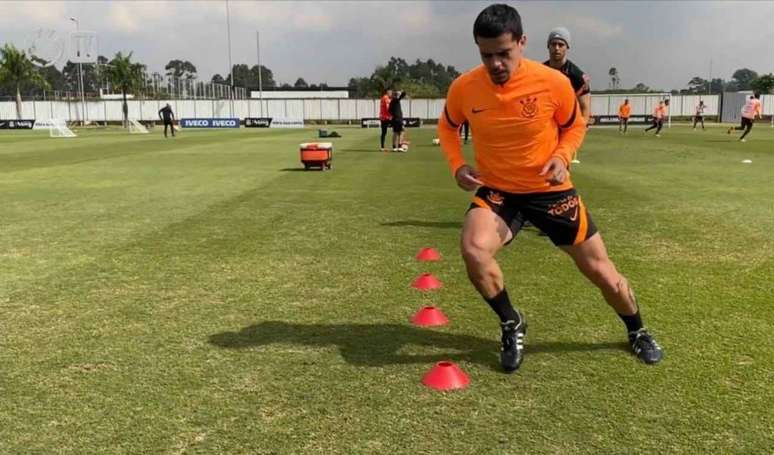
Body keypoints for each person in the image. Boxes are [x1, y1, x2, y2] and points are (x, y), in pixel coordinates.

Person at [437, 3, 663, 373]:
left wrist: (563, 154)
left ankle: (637, 330)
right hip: (499, 192)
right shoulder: (465, 87)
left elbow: (575, 125)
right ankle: (512, 323)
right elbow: (447, 128)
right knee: (473, 251)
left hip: (550, 191)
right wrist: (457, 165)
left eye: (504, 53)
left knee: (602, 273)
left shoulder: (553, 82)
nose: (495, 63)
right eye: (486, 54)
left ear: (523, 42)